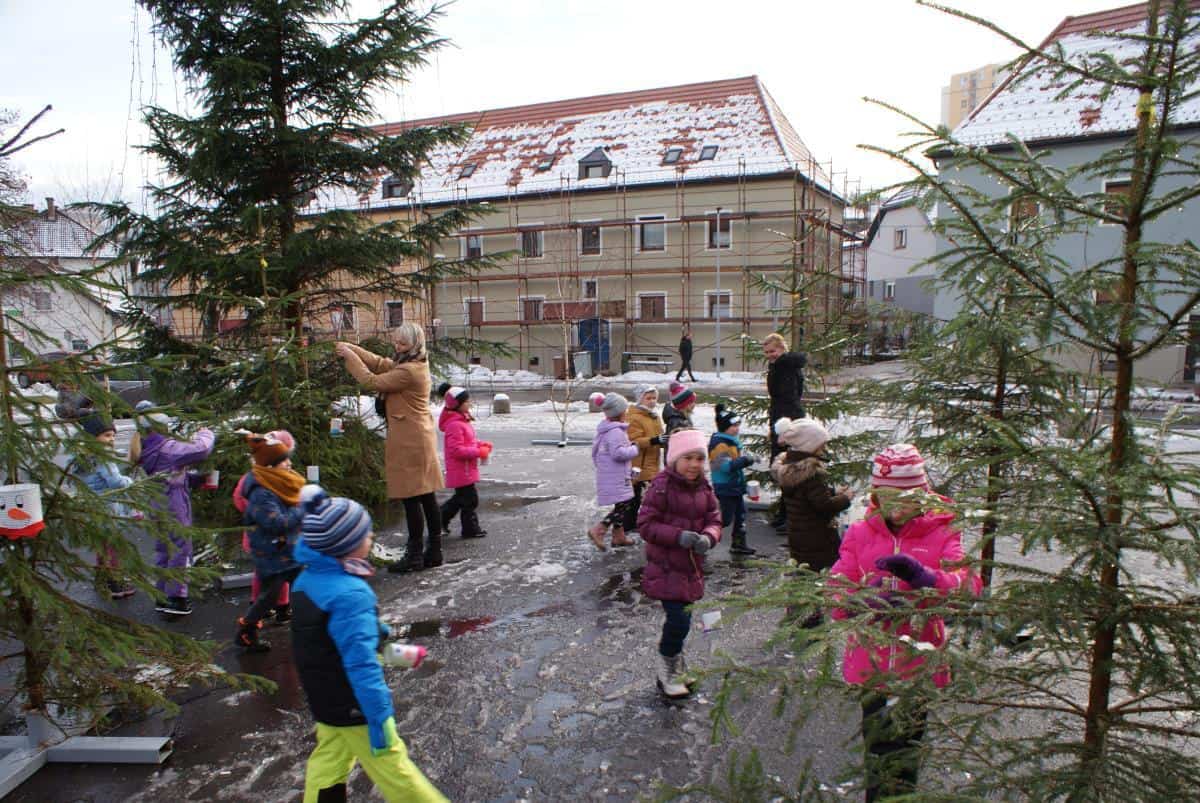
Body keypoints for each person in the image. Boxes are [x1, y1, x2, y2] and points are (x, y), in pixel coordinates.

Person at [829, 444, 980, 801]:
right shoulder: (860, 532)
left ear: (923, 494)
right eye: (886, 496)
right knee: (877, 751)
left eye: (906, 497)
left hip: (917, 665)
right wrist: (859, 600)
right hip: (871, 664)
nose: (896, 507)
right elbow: (835, 587)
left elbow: (968, 584)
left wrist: (928, 579)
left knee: (906, 753)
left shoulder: (943, 530)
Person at [290, 489, 448, 803]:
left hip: (324, 697)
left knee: (329, 760)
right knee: (394, 769)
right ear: (345, 546)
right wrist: (378, 717)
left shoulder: (308, 581)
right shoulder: (350, 594)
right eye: (365, 532)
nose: (372, 534)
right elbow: (360, 662)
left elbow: (327, 637)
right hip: (355, 703)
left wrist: (376, 631)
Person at [335, 322, 443, 573]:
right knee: (425, 496)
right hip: (417, 436)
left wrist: (350, 357)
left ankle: (416, 555)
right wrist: (353, 347)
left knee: (412, 497)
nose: (397, 347)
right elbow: (380, 363)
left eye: (402, 344)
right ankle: (433, 552)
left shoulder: (409, 372)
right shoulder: (411, 362)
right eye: (396, 342)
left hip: (410, 439)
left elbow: (370, 380)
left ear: (414, 345)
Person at [637, 428, 722, 699]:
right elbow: (646, 525)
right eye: (688, 458)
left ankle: (676, 664)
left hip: (691, 567)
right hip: (665, 567)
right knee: (679, 621)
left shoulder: (704, 488)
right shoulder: (661, 487)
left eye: (699, 458)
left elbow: (715, 519)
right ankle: (667, 668)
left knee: (683, 619)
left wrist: (709, 537)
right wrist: (678, 536)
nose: (694, 464)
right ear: (674, 459)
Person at [129, 400, 215, 617]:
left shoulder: (147, 447)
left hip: (157, 504)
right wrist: (205, 433)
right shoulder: (167, 447)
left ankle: (162, 594)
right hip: (173, 505)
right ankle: (177, 598)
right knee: (180, 549)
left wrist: (195, 480)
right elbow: (202, 449)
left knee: (164, 549)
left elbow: (168, 476)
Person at [236, 432, 307, 652]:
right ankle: (246, 631)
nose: (289, 463)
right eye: (284, 460)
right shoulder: (261, 492)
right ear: (270, 465)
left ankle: (315, 629)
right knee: (268, 597)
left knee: (306, 589)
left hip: (287, 552)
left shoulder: (278, 482)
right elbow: (277, 523)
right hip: (272, 555)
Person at [69, 413, 136, 599]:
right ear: (92, 437)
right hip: (107, 507)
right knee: (112, 547)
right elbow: (115, 481)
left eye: (113, 435)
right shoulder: (102, 457)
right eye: (107, 435)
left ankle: (102, 580)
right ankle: (115, 583)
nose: (111, 439)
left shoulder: (80, 457)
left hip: (92, 507)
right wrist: (129, 480)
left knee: (102, 546)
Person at [763, 332, 807, 530]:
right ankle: (784, 513)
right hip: (781, 421)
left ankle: (790, 516)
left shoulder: (784, 367)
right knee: (785, 471)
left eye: (773, 351)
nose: (770, 355)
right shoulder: (781, 365)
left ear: (782, 349)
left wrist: (784, 431)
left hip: (787, 424)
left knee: (788, 470)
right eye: (767, 352)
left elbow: (789, 400)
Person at [436, 383, 492, 539]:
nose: (470, 404)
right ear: (457, 405)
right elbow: (456, 450)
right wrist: (479, 452)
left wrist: (481, 445)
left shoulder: (462, 421)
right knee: (469, 500)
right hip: (461, 469)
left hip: (466, 468)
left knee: (462, 499)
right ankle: (468, 529)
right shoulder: (455, 425)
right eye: (467, 401)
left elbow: (469, 442)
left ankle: (442, 520)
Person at [587, 392, 638, 551]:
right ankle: (599, 529)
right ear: (620, 413)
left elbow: (596, 454)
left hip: (611, 474)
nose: (627, 413)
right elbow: (618, 453)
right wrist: (634, 449)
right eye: (626, 410)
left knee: (621, 504)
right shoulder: (616, 432)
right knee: (624, 504)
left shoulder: (606, 430)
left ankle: (619, 536)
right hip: (617, 475)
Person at [708, 404, 757, 556]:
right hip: (725, 487)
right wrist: (746, 460)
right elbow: (725, 467)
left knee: (741, 514)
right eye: (733, 426)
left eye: (738, 425)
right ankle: (703, 535)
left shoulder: (731, 442)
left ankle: (739, 544)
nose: (737, 429)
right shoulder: (720, 444)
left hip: (734, 486)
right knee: (726, 518)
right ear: (724, 427)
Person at [623, 383, 664, 533]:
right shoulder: (633, 417)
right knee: (634, 498)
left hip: (652, 463)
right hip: (638, 464)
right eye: (648, 398)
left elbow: (660, 435)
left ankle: (642, 522)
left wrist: (664, 440)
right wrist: (654, 441)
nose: (652, 401)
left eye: (654, 398)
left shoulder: (654, 416)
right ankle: (627, 525)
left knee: (649, 497)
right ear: (640, 399)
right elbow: (633, 441)